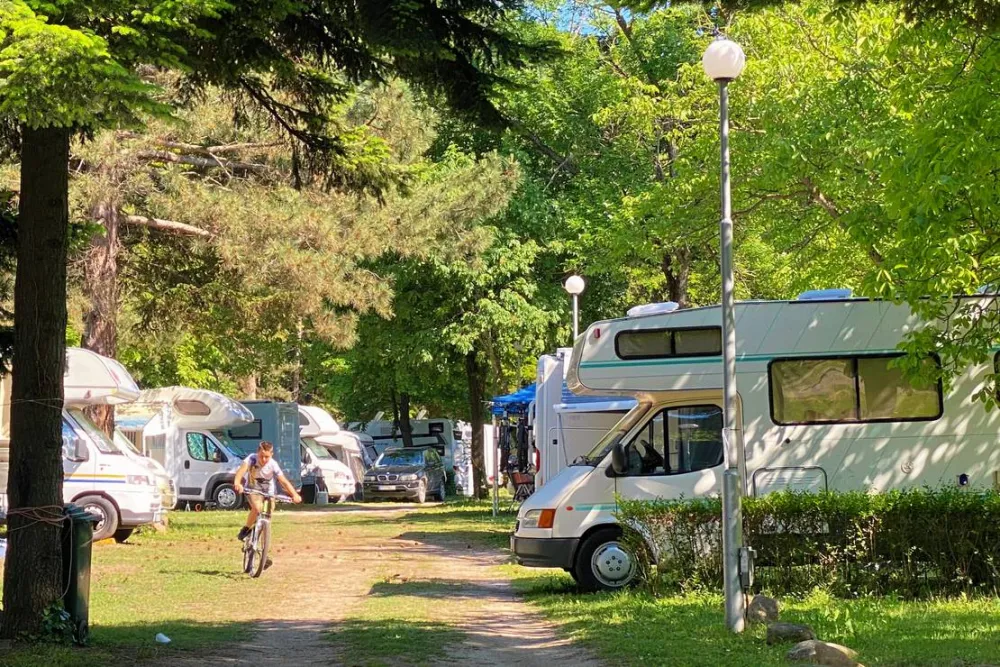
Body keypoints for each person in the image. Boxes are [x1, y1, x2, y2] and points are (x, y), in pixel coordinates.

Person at [233, 441, 302, 541]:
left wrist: (295, 495)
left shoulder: (273, 465)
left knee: (268, 515)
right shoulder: (252, 458)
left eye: (267, 457)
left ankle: (263, 550)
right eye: (261, 456)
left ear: (271, 455)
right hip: (253, 488)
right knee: (257, 508)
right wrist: (237, 483)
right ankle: (246, 529)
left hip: (269, 491)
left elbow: (284, 481)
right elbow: (241, 471)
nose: (264, 459)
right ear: (257, 452)